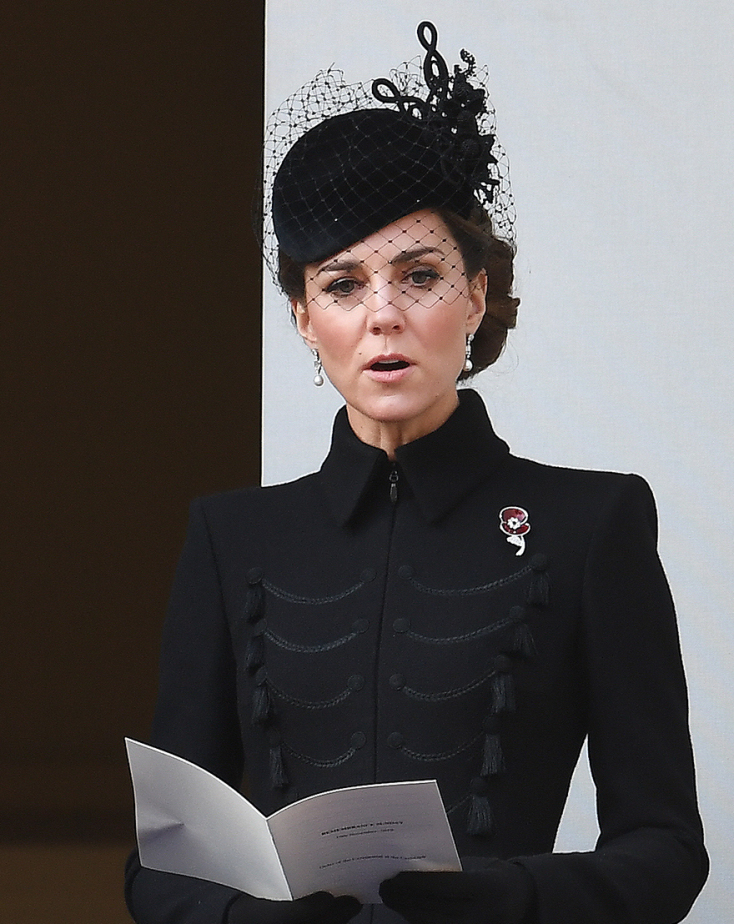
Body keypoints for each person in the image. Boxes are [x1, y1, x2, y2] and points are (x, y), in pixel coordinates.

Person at [124, 21, 708, 924]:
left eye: (420, 275)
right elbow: (160, 868)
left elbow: (667, 851)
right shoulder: (227, 539)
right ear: (303, 318)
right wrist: (245, 920)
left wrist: (514, 895)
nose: (383, 315)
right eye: (342, 284)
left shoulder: (593, 524)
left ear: (476, 295)